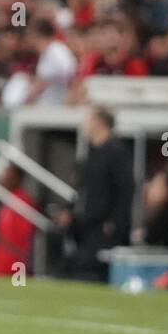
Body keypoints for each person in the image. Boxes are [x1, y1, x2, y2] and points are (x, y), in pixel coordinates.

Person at [59, 106, 133, 280]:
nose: (85, 125)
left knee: (92, 272)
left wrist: (114, 222)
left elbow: (125, 190)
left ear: (100, 122)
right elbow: (82, 191)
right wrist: (70, 212)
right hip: (85, 225)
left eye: (88, 120)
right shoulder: (92, 155)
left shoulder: (117, 153)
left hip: (103, 228)